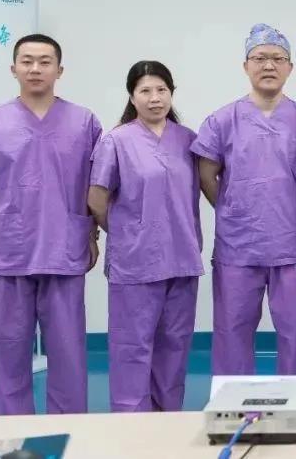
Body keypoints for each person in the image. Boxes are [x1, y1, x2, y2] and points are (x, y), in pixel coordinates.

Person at [0, 33, 100, 415]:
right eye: (27, 61)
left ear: (59, 70)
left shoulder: (84, 122)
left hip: (64, 248)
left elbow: (94, 185)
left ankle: (71, 429)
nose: (36, 69)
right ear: (13, 68)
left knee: (69, 353)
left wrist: (92, 235)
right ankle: (13, 431)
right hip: (8, 250)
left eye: (45, 61)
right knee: (9, 352)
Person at [191, 24, 296, 377]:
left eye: (278, 58)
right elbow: (206, 174)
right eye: (260, 58)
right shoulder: (222, 120)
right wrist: (232, 208)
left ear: (290, 67)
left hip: (291, 242)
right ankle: (233, 401)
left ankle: (295, 398)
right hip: (238, 245)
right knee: (232, 330)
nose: (269, 65)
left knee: (295, 331)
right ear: (246, 66)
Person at [88, 61, 203, 412]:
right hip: (135, 262)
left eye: (162, 90)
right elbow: (96, 197)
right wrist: (127, 231)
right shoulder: (117, 141)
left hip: (182, 258)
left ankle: (168, 416)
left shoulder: (188, 140)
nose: (155, 98)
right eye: (145, 91)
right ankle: (132, 420)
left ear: (171, 93)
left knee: (175, 344)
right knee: (132, 346)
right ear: (132, 96)